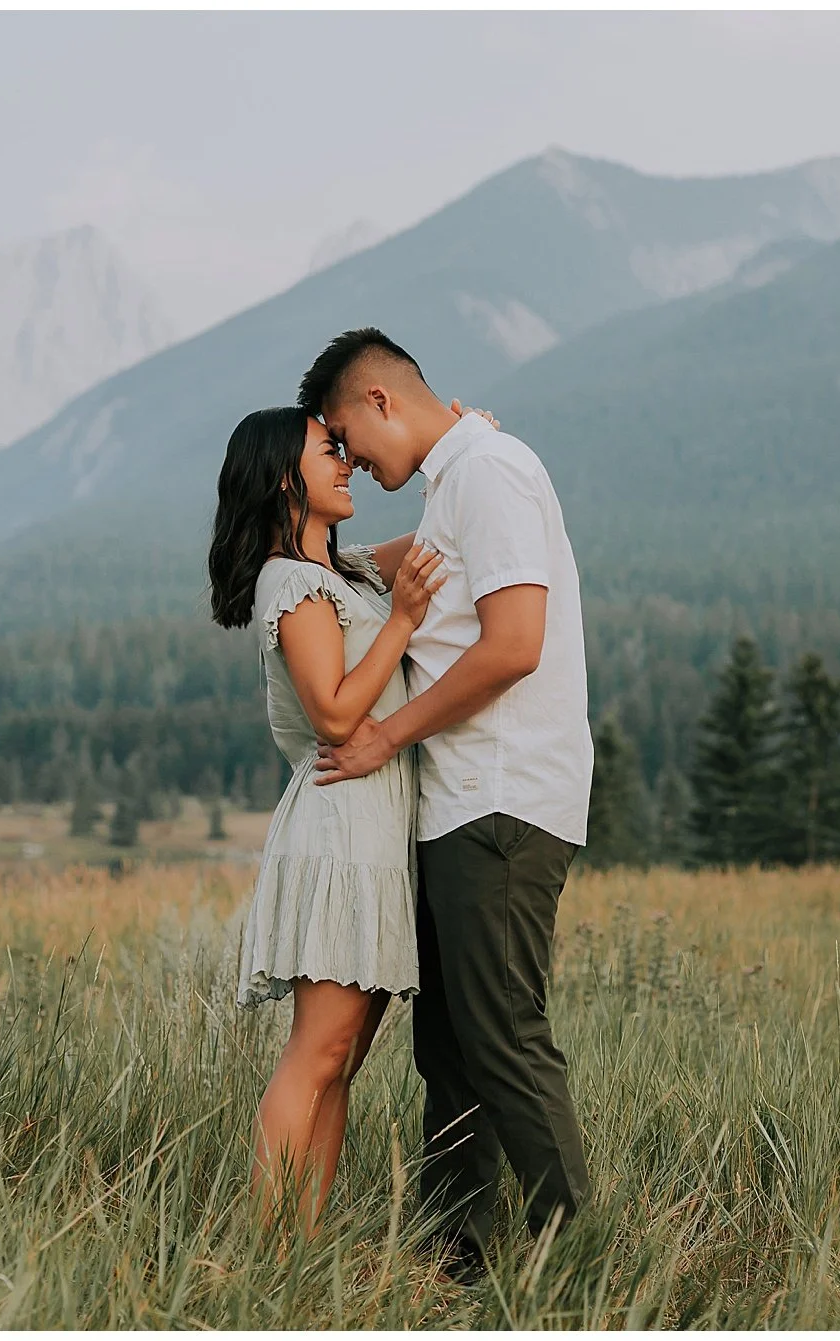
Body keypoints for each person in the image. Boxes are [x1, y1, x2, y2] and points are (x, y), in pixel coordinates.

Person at [299, 328, 595, 1281]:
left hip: (500, 799)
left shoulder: (490, 471)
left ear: (382, 401)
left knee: (502, 1034)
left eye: (346, 437)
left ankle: (584, 1259)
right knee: (453, 1049)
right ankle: (456, 1261)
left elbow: (515, 643)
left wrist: (385, 734)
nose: (351, 462)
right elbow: (368, 573)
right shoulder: (455, 478)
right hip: (460, 803)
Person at [205, 403, 447, 1229]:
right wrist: (407, 623)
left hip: (373, 834)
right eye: (328, 452)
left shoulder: (346, 575)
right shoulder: (292, 583)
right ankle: (265, 1248)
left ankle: (299, 1247)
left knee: (340, 1061)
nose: (346, 463)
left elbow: (435, 545)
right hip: (339, 832)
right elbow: (338, 715)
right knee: (317, 1053)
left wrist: (457, 450)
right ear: (283, 479)